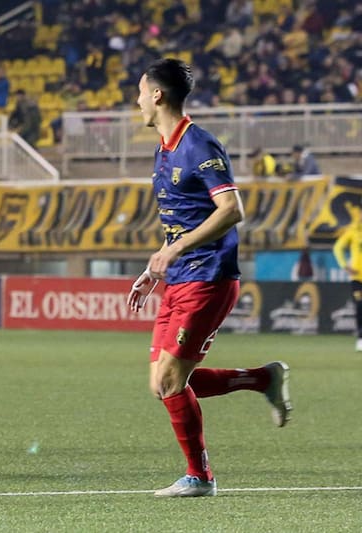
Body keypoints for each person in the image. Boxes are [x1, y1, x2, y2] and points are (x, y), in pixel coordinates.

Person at [126, 58, 292, 498]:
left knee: (168, 382)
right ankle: (262, 379)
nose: (137, 99)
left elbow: (232, 210)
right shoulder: (163, 149)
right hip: (180, 277)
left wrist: (176, 250)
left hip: (209, 276)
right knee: (163, 384)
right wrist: (155, 266)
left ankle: (200, 477)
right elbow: (180, 222)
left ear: (157, 95)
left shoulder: (199, 145)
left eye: (141, 91)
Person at [332, 202, 362, 351]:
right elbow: (338, 247)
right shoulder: (354, 230)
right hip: (357, 277)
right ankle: (360, 338)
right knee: (360, 306)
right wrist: (344, 265)